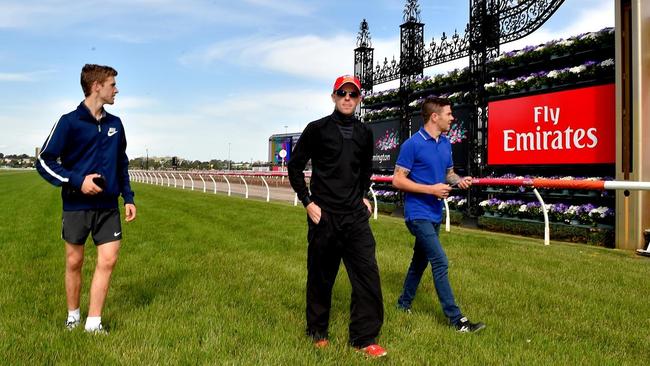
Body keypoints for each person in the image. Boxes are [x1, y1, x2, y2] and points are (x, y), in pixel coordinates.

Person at [288, 75, 387, 357]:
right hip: (324, 216)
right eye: (342, 93)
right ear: (333, 97)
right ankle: (317, 331)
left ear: (359, 100)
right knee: (321, 277)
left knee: (367, 276)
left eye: (352, 94)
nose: (347, 98)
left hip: (354, 217)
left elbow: (364, 170)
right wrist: (307, 202)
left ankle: (364, 338)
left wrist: (362, 196)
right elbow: (294, 167)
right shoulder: (316, 129)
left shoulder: (365, 133)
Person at [36, 64, 136, 334]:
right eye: (112, 84)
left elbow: (121, 163)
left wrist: (128, 197)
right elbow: (43, 161)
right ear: (97, 86)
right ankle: (73, 316)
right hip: (76, 206)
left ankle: (94, 323)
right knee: (74, 262)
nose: (117, 89)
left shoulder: (116, 124)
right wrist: (78, 181)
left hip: (108, 207)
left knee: (108, 260)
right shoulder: (68, 122)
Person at [392, 96, 485, 333]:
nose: (452, 118)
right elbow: (398, 180)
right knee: (440, 261)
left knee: (419, 261)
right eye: (449, 114)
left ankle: (403, 304)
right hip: (417, 214)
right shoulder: (412, 145)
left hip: (434, 214)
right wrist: (431, 190)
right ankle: (457, 320)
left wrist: (459, 180)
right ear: (435, 116)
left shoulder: (445, 143)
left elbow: (449, 173)